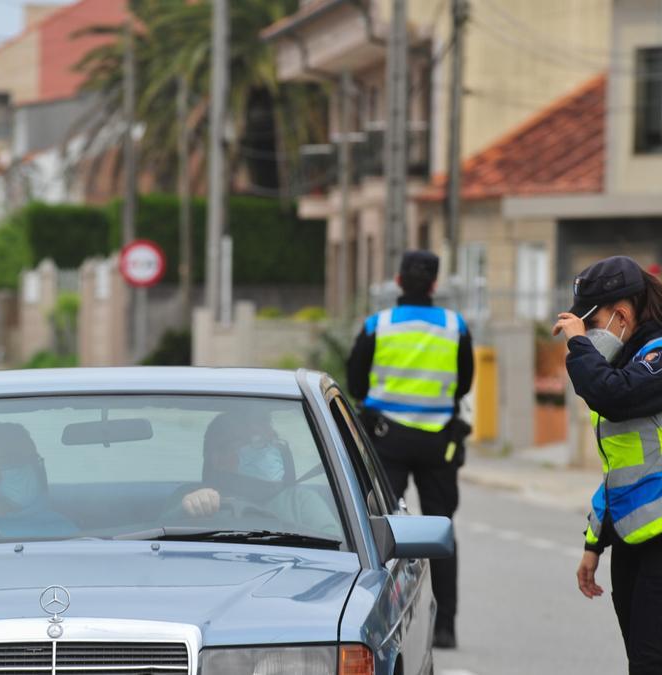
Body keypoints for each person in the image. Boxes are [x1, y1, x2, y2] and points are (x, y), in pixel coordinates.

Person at [552, 255, 662, 674]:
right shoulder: (632, 363)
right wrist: (594, 542)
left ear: (622, 315)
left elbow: (613, 395)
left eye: (591, 325)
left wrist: (579, 346)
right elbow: (622, 468)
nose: (587, 336)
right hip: (637, 541)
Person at [345, 250, 474, 649]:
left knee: (382, 534)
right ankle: (446, 628)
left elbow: (355, 381)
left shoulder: (377, 324)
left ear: (398, 281)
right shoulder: (456, 327)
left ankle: (383, 622)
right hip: (438, 442)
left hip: (388, 442)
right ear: (434, 285)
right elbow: (464, 383)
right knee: (440, 532)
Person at [169, 410, 342, 538]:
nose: (267, 450)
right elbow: (159, 535)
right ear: (217, 457)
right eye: (255, 443)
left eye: (270, 442)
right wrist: (190, 508)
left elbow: (336, 547)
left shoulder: (301, 501)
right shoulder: (191, 497)